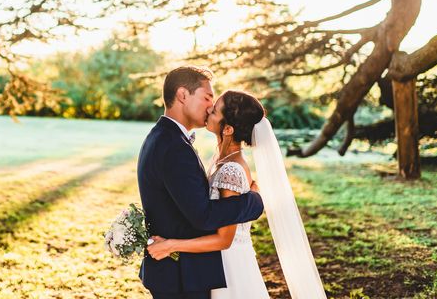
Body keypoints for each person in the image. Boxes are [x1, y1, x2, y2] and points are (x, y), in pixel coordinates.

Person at [147, 90, 327, 299]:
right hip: (218, 263)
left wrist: (171, 245)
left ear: (229, 129)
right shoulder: (221, 160)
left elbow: (224, 240)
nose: (208, 110)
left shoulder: (231, 170)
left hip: (230, 267)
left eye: (214, 111)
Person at [137, 67, 264, 299]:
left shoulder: (165, 137)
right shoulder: (174, 146)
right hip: (181, 276)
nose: (209, 107)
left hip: (189, 272)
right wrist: (254, 202)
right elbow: (203, 216)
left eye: (214, 105)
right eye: (207, 98)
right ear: (183, 95)